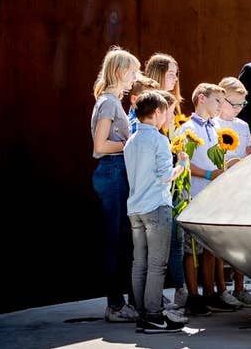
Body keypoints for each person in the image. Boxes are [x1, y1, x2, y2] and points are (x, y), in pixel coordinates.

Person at [124, 90, 189, 333]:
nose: (168, 116)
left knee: (139, 263)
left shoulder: (131, 140)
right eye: (167, 112)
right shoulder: (159, 140)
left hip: (135, 209)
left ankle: (143, 314)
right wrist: (181, 164)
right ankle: (153, 315)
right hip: (156, 206)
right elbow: (165, 176)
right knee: (157, 265)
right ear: (157, 112)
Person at [175, 83, 240, 314]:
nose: (220, 107)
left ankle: (211, 292)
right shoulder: (186, 129)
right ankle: (194, 296)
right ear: (202, 98)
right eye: (217, 102)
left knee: (211, 248)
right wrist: (210, 173)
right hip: (193, 194)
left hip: (211, 195)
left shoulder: (215, 127)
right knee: (192, 248)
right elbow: (184, 162)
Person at [90, 46, 141, 323]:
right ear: (120, 71)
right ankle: (115, 305)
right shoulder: (109, 102)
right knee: (115, 240)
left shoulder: (110, 101)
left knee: (121, 240)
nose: (135, 77)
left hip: (116, 172)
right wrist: (129, 143)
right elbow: (100, 145)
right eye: (132, 71)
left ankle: (121, 302)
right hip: (112, 172)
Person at [213, 77, 251, 308]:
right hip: (218, 187)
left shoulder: (242, 126)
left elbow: (250, 154)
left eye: (242, 104)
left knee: (240, 241)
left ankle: (240, 287)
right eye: (233, 104)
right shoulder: (213, 125)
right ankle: (221, 289)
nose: (238, 109)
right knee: (219, 243)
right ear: (221, 100)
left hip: (240, 188)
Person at [144, 53, 184, 134]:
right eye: (171, 74)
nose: (176, 78)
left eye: (176, 74)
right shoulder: (147, 103)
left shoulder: (172, 102)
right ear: (158, 74)